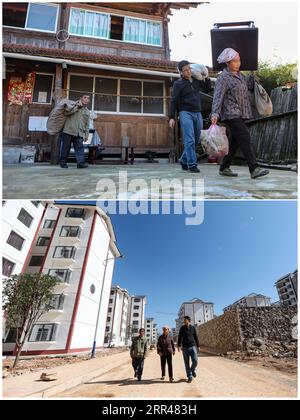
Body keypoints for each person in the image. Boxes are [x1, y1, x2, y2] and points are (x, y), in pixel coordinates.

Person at [211, 48, 269, 179]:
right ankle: (254, 168)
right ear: (228, 62)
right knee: (244, 135)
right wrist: (215, 113)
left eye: (239, 61)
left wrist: (253, 77)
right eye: (235, 61)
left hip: (242, 112)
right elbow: (217, 96)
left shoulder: (241, 75)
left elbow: (247, 87)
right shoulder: (223, 78)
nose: (238, 63)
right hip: (231, 113)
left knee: (235, 141)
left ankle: (224, 167)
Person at [169, 60, 212, 173]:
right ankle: (192, 164)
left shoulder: (196, 80)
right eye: (185, 70)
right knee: (189, 139)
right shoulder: (178, 84)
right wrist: (171, 117)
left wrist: (207, 77)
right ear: (181, 72)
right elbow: (173, 101)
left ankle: (183, 159)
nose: (188, 72)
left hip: (197, 112)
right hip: (185, 113)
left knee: (196, 139)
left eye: (189, 69)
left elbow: (207, 88)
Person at [59, 94, 91, 169]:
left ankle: (80, 163)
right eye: (85, 97)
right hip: (68, 130)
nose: (86, 99)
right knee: (66, 148)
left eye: (88, 98)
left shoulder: (87, 111)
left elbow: (87, 124)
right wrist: (76, 108)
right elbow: (66, 113)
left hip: (79, 132)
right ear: (81, 98)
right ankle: (63, 163)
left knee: (80, 148)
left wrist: (86, 135)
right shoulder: (73, 105)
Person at [177, 316, 200, 383]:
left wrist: (198, 346)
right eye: (183, 320)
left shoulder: (193, 328)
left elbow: (196, 337)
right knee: (186, 363)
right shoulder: (182, 328)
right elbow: (180, 337)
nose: (183, 321)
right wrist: (178, 345)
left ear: (188, 320)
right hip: (184, 348)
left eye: (185, 320)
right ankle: (189, 376)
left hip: (193, 347)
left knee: (195, 361)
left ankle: (192, 370)